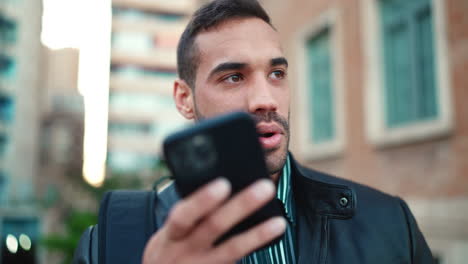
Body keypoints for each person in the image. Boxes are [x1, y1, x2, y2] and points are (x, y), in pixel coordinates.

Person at [73, 0, 434, 263]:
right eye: (233, 77)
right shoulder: (108, 245)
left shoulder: (389, 223)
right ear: (184, 99)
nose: (265, 100)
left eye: (277, 74)